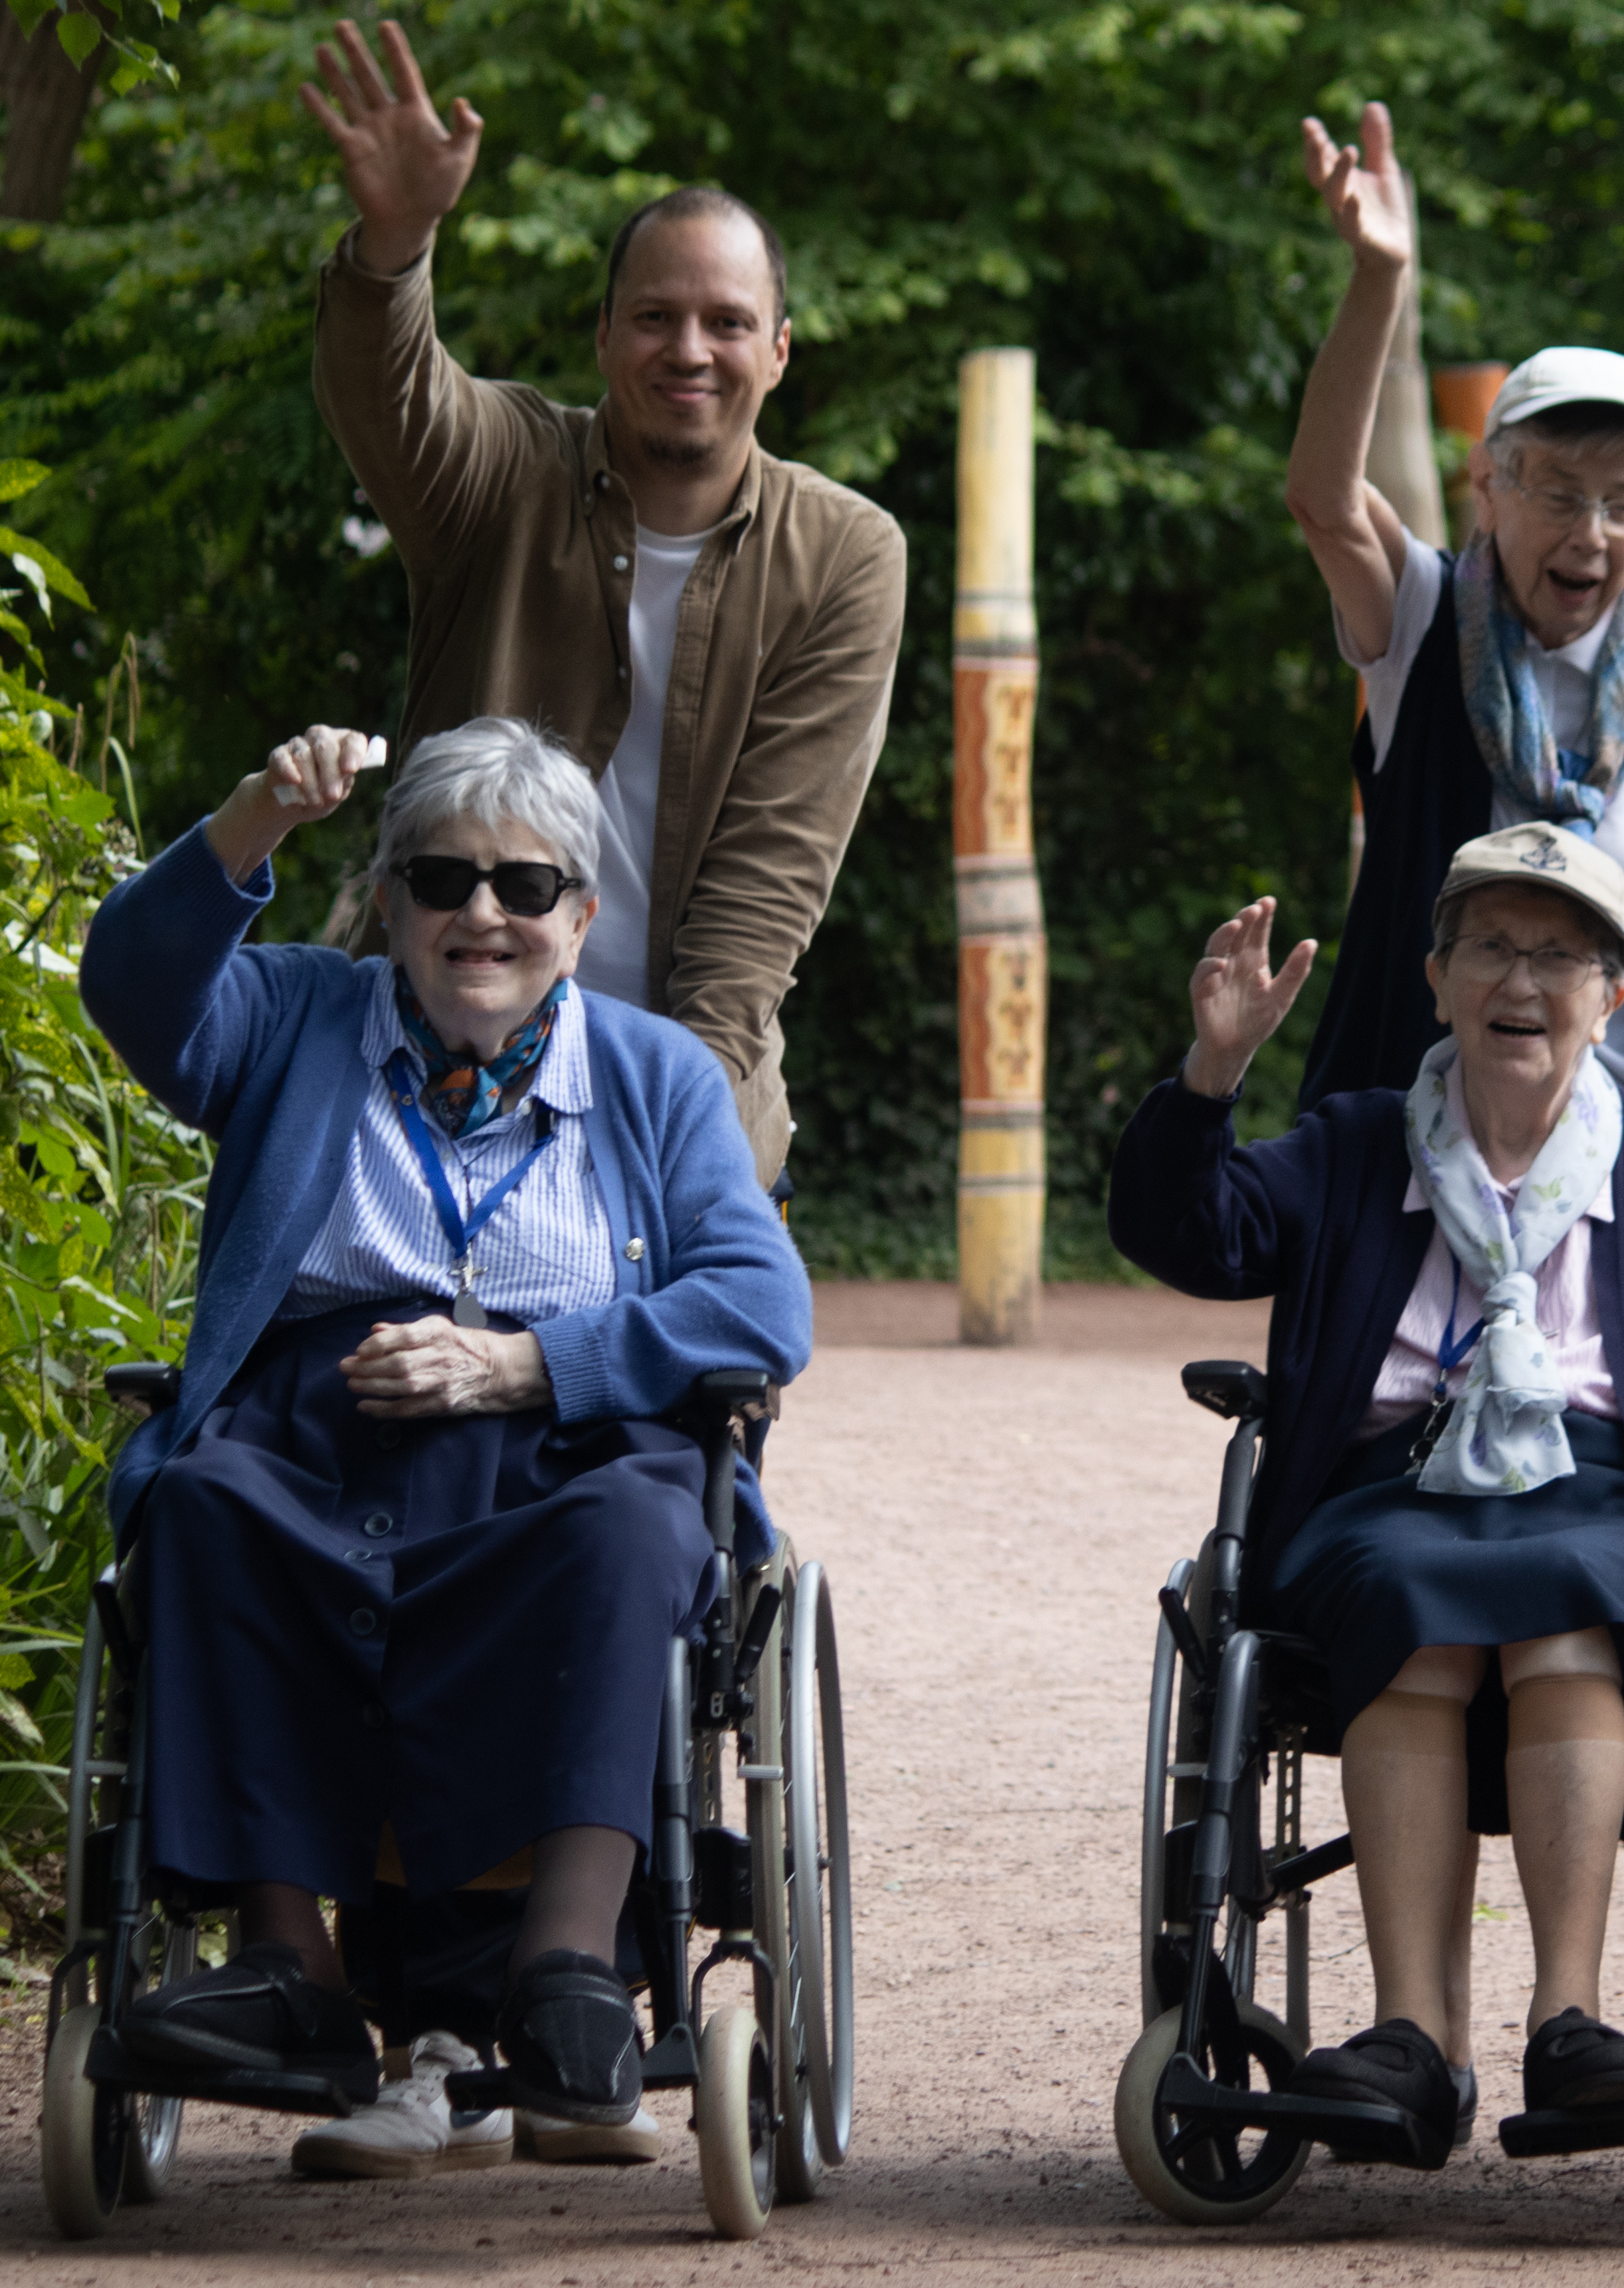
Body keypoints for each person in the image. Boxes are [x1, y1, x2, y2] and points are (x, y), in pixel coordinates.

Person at [1108, 823, 1624, 2162]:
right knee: (1406, 1592)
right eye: (1490, 944)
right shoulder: (1357, 1145)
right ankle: (1414, 2038)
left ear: (1612, 996)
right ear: (1436, 979)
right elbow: (1179, 1231)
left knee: (1570, 1600)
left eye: (1560, 954)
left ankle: (1571, 2022)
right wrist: (1214, 1071)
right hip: (1393, 1494)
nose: (1522, 979)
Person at [1285, 101, 1624, 2105]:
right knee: (1448, 1503)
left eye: (1623, 491)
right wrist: (1376, 278)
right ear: (1493, 488)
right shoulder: (1427, 622)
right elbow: (1323, 489)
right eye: (1551, 485)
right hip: (1428, 1134)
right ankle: (1436, 2016)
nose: (1585, 527)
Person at [75, 719, 812, 2172]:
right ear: (391, 901)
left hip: (562, 1442)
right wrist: (251, 821)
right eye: (443, 877)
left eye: (528, 886)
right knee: (205, 1501)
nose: (484, 911)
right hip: (313, 1433)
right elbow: (135, 987)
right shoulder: (294, 1020)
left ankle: (567, 1971)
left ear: (582, 919)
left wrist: (532, 1363)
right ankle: (297, 1971)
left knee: (636, 1532)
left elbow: (759, 1302)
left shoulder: (656, 1077)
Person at [300, 17, 907, 1188]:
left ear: (777, 352)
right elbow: (393, 403)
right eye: (655, 317)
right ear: (603, 337)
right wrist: (396, 244)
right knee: (381, 1373)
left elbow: (763, 897)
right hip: (421, 1087)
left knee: (672, 1367)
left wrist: (670, 1147)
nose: (691, 348)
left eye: (728, 322)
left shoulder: (843, 554)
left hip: (678, 1099)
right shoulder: (505, 472)